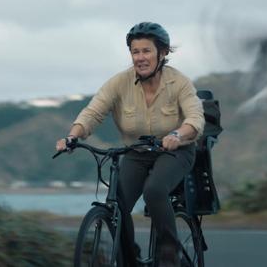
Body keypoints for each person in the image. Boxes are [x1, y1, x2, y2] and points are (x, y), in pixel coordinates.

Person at [55, 22, 205, 267]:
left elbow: (195, 119)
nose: (140, 58)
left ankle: (169, 252)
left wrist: (177, 135)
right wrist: (72, 136)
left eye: (146, 51)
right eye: (135, 52)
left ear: (162, 53)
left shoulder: (179, 83)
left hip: (175, 150)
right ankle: (130, 258)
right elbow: (93, 113)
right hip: (136, 152)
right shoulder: (120, 83)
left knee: (154, 189)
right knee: (118, 203)